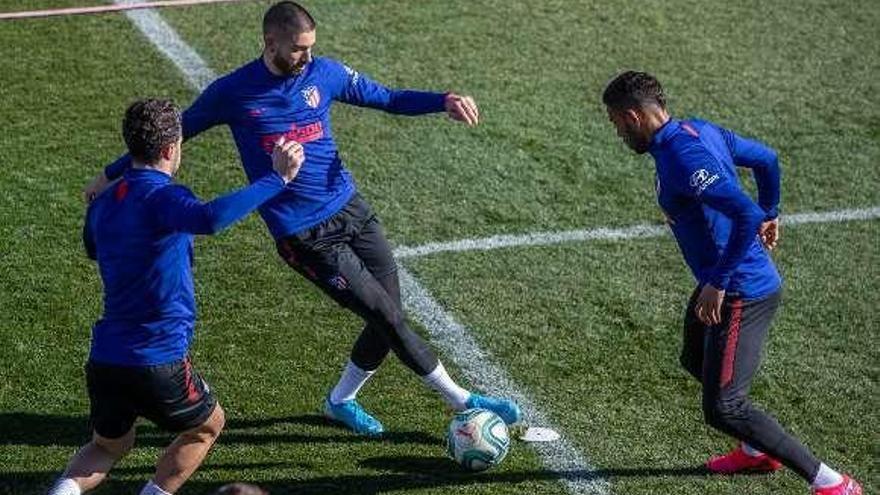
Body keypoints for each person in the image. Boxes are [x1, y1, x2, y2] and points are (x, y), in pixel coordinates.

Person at [82, 1, 520, 436]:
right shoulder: (232, 92)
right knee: (387, 316)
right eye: (297, 49)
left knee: (390, 312)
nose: (306, 57)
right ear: (270, 42)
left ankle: (341, 401)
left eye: (310, 48)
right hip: (305, 235)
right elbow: (173, 135)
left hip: (352, 209)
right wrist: (108, 174)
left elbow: (386, 97)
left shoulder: (323, 74)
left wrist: (441, 100)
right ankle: (464, 402)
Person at [601, 71, 861, 495]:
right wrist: (773, 208)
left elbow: (744, 214)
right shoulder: (699, 130)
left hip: (741, 290)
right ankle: (757, 451)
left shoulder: (682, 156)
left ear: (632, 117)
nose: (617, 132)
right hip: (722, 279)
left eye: (615, 123)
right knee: (695, 358)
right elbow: (768, 159)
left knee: (724, 406)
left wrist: (719, 281)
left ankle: (833, 483)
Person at [49, 99, 304, 495]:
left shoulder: (102, 206)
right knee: (207, 426)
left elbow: (93, 247)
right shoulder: (163, 198)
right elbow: (209, 218)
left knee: (107, 446)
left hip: (106, 357)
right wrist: (277, 180)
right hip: (158, 357)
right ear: (171, 149)